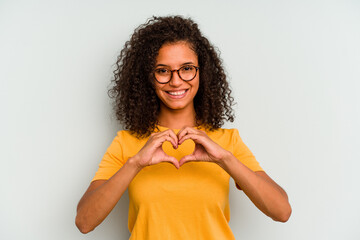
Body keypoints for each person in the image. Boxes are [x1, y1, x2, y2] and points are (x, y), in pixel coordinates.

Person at [75, 15, 291, 239]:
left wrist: (225, 160)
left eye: (187, 68)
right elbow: (84, 222)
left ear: (202, 72)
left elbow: (282, 211)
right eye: (162, 70)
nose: (176, 81)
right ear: (148, 77)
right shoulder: (126, 143)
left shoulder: (227, 142)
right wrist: (136, 163)